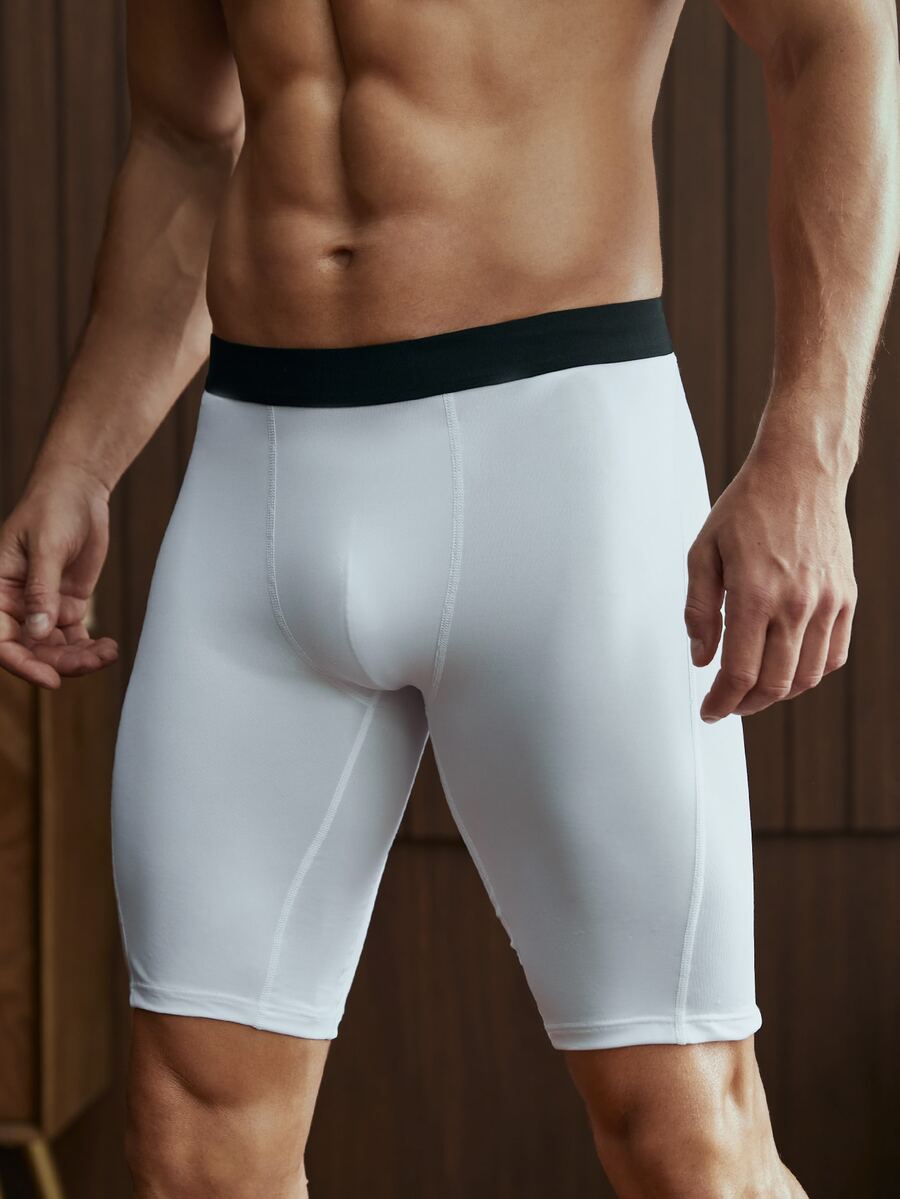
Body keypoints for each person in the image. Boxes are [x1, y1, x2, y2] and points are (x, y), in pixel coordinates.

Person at [1, 0, 897, 1194]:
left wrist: (810, 453)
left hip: (563, 463)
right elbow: (184, 138)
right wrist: (78, 459)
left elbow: (833, 35)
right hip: (260, 481)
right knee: (191, 1146)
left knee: (686, 1138)